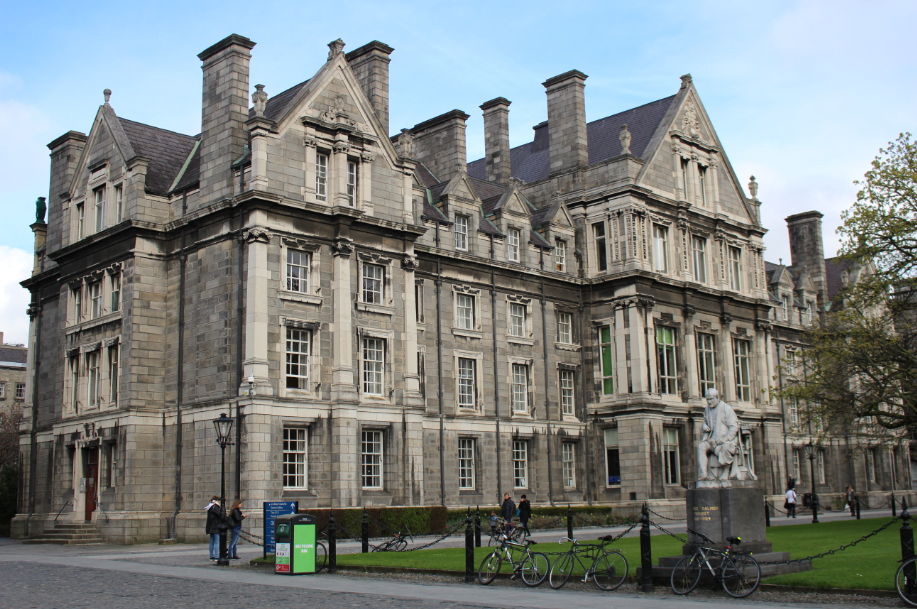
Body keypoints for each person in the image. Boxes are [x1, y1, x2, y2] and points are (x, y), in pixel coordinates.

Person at [205, 496, 222, 560]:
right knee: (217, 541)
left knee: (212, 541)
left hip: (210, 526)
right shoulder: (215, 506)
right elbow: (220, 515)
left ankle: (211, 556)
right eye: (219, 501)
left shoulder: (210, 506)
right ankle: (217, 556)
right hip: (215, 526)